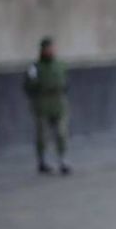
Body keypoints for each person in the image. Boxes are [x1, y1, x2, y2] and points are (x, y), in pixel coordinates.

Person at [23, 37, 70, 175]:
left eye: (52, 48)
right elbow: (28, 86)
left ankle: (63, 160)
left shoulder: (60, 65)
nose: (51, 50)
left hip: (59, 102)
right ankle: (42, 160)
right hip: (42, 103)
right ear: (42, 50)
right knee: (43, 134)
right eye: (48, 48)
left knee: (62, 133)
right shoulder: (35, 67)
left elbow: (66, 82)